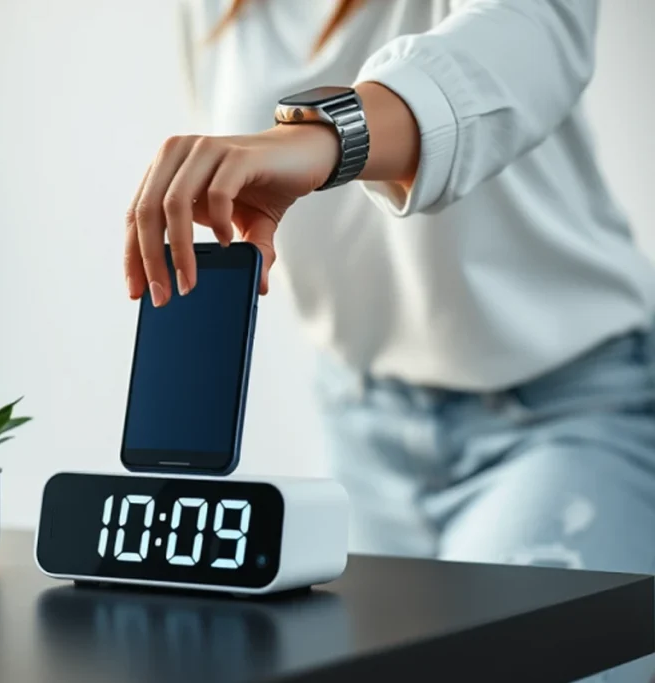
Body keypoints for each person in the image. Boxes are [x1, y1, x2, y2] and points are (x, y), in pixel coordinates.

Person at [124, 1, 655, 680]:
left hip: (566, 417)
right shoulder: (213, 11)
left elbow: (528, 35)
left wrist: (318, 138)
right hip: (360, 426)